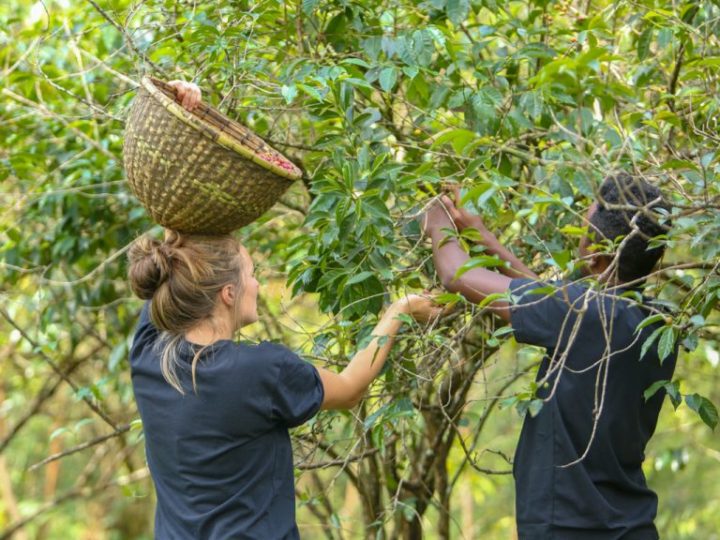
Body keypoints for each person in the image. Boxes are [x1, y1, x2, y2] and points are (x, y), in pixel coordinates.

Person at [127, 82, 439, 539]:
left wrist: (184, 112)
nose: (257, 282)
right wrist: (401, 310)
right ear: (228, 294)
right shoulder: (260, 371)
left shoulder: (149, 353)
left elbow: (173, 253)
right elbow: (352, 388)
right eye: (251, 273)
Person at [422, 175, 676, 540]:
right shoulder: (653, 322)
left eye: (585, 229)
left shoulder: (585, 314)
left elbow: (455, 275)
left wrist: (436, 220)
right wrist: (483, 238)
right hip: (629, 526)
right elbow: (545, 298)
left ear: (597, 257)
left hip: (569, 529)